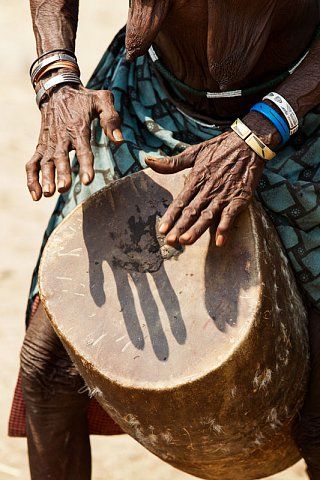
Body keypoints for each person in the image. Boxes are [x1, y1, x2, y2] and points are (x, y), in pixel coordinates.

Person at [12, 0, 320, 478]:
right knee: (49, 366)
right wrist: (57, 79)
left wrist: (264, 129)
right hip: (148, 104)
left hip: (299, 115)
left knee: (318, 410)